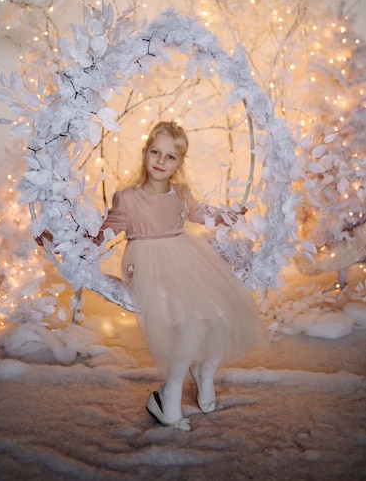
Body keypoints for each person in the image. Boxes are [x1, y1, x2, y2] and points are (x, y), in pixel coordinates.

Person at [94, 121, 258, 431]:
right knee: (191, 323)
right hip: (148, 266)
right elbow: (106, 231)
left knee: (222, 309)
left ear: (179, 163)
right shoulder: (127, 197)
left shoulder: (180, 193)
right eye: (156, 152)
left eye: (171, 157)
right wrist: (71, 245)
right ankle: (167, 396)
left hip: (186, 258)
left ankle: (204, 373)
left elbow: (200, 213)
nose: (161, 161)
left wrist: (228, 216)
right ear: (144, 154)